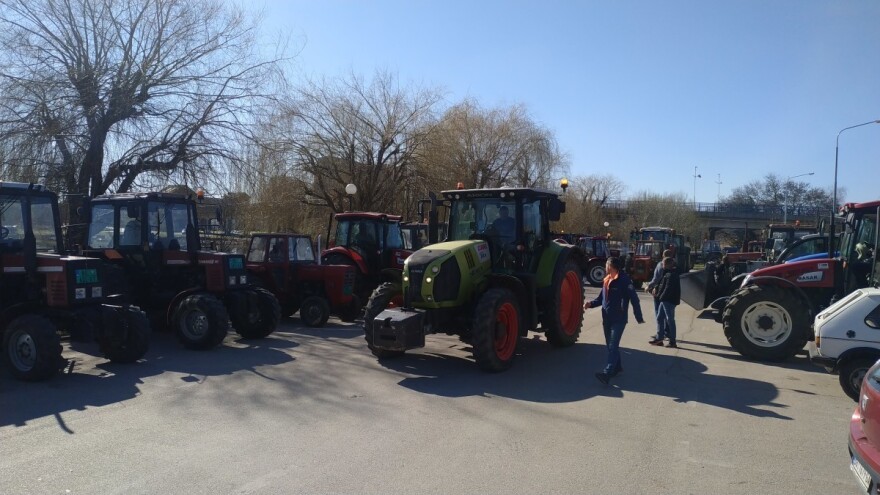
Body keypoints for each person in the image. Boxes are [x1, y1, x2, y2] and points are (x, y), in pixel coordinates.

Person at [584, 256, 645, 385]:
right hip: (607, 318)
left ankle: (608, 372)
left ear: (611, 266)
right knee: (610, 346)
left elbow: (634, 299)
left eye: (606, 264)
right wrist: (590, 304)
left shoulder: (624, 281)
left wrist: (638, 316)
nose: (605, 266)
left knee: (612, 345)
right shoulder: (606, 280)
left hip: (619, 319)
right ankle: (617, 367)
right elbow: (601, 299)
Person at [651, 257, 681, 348]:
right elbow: (662, 286)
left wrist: (660, 297)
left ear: (667, 265)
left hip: (669, 301)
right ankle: (659, 339)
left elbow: (668, 288)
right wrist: (657, 293)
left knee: (670, 320)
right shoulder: (667, 273)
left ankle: (673, 341)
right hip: (664, 300)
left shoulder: (672, 275)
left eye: (663, 264)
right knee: (660, 317)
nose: (662, 266)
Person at [646, 249, 674, 344]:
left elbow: (656, 279)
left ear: (662, 255)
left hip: (658, 292)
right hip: (670, 295)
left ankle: (660, 335)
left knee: (659, 314)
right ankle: (666, 334)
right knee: (668, 316)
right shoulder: (675, 268)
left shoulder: (660, 265)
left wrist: (649, 286)